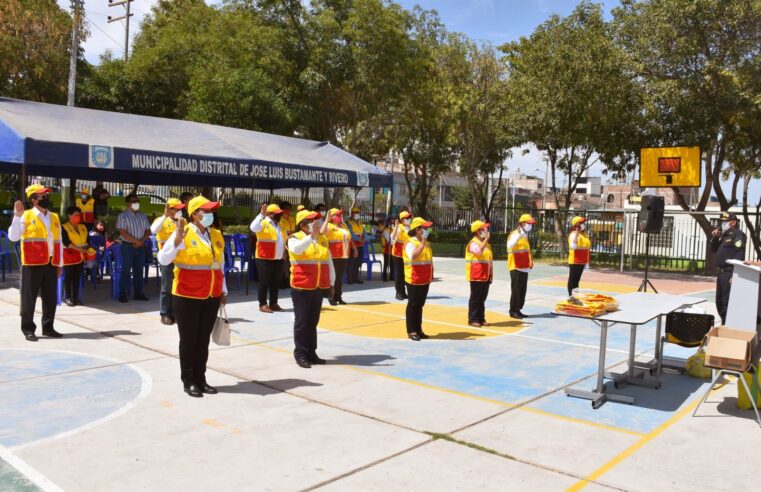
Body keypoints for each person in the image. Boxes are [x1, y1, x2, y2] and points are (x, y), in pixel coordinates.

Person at [157, 195, 227, 398]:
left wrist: (223, 291)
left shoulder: (215, 234)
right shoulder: (184, 232)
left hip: (211, 293)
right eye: (207, 211)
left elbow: (219, 264)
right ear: (195, 214)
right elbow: (163, 258)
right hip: (187, 294)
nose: (211, 214)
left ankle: (201, 378)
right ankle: (189, 381)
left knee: (203, 339)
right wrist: (177, 240)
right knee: (189, 340)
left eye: (212, 211)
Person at [8, 184, 64, 341]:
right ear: (33, 199)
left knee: (50, 298)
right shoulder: (25, 215)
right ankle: (28, 329)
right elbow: (13, 237)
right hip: (32, 264)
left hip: (51, 263)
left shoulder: (54, 217)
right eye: (42, 196)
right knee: (29, 298)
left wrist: (60, 264)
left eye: (46, 195)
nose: (46, 198)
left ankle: (48, 327)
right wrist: (17, 216)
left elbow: (58, 241)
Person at [288, 209, 335, 368]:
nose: (316, 223)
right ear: (302, 224)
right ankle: (300, 354)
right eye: (312, 220)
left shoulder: (322, 239)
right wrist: (311, 237)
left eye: (317, 220)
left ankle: (311, 352)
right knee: (301, 322)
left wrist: (332, 282)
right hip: (301, 286)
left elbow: (328, 262)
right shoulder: (295, 238)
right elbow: (296, 250)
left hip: (318, 286)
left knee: (313, 322)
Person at [151, 198, 186, 325]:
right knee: (166, 286)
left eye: (180, 208)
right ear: (169, 209)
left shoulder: (183, 221)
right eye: (176, 209)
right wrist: (165, 215)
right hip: (167, 257)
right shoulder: (162, 221)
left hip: (180, 257)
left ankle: (175, 312)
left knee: (178, 285)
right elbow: (154, 229)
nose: (179, 211)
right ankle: (165, 313)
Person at [711, 212, 746, 325]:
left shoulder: (738, 235)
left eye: (725, 221)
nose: (723, 224)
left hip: (729, 273)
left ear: (733, 222)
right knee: (719, 301)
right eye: (722, 222)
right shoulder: (724, 235)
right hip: (721, 274)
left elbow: (739, 255)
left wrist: (734, 274)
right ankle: (724, 321)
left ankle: (726, 324)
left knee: (727, 301)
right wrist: (715, 238)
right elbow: (714, 249)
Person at [116, 193, 151, 303]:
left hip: (140, 246)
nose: (136, 203)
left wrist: (142, 241)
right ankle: (122, 294)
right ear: (127, 204)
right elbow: (123, 232)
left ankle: (138, 293)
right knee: (125, 270)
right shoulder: (123, 216)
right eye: (133, 201)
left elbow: (148, 230)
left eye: (137, 201)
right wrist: (137, 241)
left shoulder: (143, 215)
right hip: (128, 246)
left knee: (139, 271)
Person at [251, 203, 285, 312]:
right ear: (270, 214)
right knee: (264, 282)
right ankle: (263, 304)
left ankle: (274, 303)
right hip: (264, 258)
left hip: (278, 259)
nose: (280, 215)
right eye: (277, 213)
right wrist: (261, 214)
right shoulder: (263, 222)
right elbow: (253, 227)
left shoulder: (280, 225)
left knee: (275, 282)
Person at [404, 217, 434, 341]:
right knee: (413, 304)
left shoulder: (425, 242)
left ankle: (418, 329)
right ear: (417, 230)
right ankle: (411, 330)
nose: (427, 229)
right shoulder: (410, 242)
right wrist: (422, 244)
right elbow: (413, 256)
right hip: (414, 278)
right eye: (424, 228)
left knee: (420, 305)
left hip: (424, 278)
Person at [61, 206, 96, 306]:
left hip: (80, 256)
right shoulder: (64, 227)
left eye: (78, 215)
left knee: (77, 277)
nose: (78, 217)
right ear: (69, 215)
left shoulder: (83, 227)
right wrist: (79, 249)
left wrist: (87, 248)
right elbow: (66, 242)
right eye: (75, 215)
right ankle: (67, 297)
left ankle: (75, 298)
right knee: (68, 277)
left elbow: (87, 241)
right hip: (68, 255)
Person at [321, 208, 355, 305]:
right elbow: (322, 232)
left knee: (339, 278)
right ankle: (331, 297)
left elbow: (349, 237)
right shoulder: (329, 226)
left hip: (344, 255)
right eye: (337, 215)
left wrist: (354, 248)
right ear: (332, 217)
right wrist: (327, 220)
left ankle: (338, 297)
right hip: (333, 256)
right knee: (333, 278)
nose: (340, 216)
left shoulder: (344, 225)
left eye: (340, 215)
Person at [507, 214, 536, 319]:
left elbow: (526, 251)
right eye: (529, 223)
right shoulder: (515, 234)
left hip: (524, 266)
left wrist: (530, 262)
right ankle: (513, 310)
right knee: (516, 290)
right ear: (522, 223)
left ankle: (518, 309)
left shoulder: (525, 235)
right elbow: (509, 246)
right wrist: (518, 235)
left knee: (522, 290)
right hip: (516, 266)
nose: (530, 226)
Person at [466, 220, 493, 328]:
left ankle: (481, 318)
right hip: (476, 274)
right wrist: (486, 239)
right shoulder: (473, 243)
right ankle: (473, 319)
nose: (485, 231)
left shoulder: (487, 244)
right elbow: (478, 252)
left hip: (485, 274)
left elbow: (489, 260)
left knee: (482, 298)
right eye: (483, 229)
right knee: (475, 297)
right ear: (477, 231)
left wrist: (491, 274)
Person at [567, 216, 591, 296]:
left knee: (577, 281)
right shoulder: (573, 234)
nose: (583, 224)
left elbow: (586, 248)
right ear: (576, 225)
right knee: (572, 280)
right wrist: (577, 234)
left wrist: (587, 263)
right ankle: (571, 296)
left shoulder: (584, 234)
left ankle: (575, 296)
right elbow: (573, 246)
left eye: (583, 223)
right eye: (581, 223)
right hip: (575, 260)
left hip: (582, 261)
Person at [391, 211, 412, 300]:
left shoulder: (411, 228)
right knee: (399, 274)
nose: (408, 220)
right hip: (398, 253)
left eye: (409, 218)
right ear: (401, 220)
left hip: (407, 254)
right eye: (406, 218)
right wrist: (395, 227)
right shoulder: (399, 227)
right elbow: (392, 238)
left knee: (405, 274)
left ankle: (403, 292)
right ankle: (398, 292)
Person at [279, 201, 296, 287]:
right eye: (285, 209)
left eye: (289, 209)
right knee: (283, 263)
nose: (288, 211)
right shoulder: (279, 220)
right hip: (283, 243)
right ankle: (282, 281)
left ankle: (289, 280)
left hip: (292, 243)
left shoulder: (293, 219)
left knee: (291, 262)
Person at [346, 207, 365, 284]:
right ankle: (350, 279)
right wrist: (358, 239)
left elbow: (364, 233)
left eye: (358, 212)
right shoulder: (348, 222)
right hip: (353, 244)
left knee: (358, 262)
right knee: (351, 262)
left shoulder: (360, 222)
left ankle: (355, 278)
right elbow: (350, 234)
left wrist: (364, 239)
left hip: (360, 244)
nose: (357, 214)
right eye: (355, 212)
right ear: (352, 214)